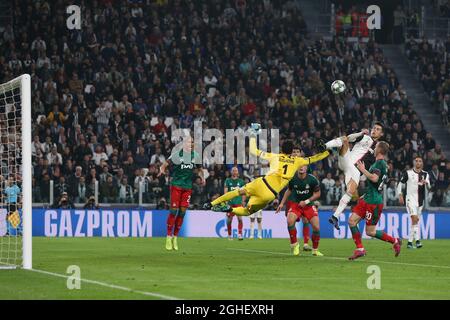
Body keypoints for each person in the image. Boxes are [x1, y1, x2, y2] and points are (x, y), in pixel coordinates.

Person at [204, 123, 329, 217]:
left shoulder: (274, 156)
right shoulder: (298, 161)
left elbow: (253, 151)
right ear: (292, 152)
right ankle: (229, 210)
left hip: (261, 182)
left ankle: (212, 203)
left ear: (282, 150)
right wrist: (327, 151)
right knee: (248, 212)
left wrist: (253, 134)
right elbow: (314, 158)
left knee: (238, 192)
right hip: (269, 194)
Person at [347, 141, 402, 260]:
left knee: (370, 232)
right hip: (368, 198)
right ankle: (360, 249)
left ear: (380, 151)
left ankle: (395, 241)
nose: (374, 148)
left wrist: (362, 169)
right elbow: (377, 184)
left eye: (376, 147)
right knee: (352, 221)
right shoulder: (381, 164)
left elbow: (374, 178)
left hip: (374, 202)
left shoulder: (379, 164)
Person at [325, 122, 384, 230]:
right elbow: (349, 138)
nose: (374, 130)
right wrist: (360, 133)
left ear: (381, 133)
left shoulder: (379, 148)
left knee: (350, 191)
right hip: (348, 161)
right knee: (344, 139)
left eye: (378, 129)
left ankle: (335, 217)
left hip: (355, 171)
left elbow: (377, 163)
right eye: (374, 128)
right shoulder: (365, 137)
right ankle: (325, 146)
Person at [159, 136, 204, 251]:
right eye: (189, 142)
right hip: (176, 185)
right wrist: (162, 169)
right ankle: (168, 237)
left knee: (183, 212)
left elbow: (200, 169)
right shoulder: (177, 154)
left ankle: (175, 237)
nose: (191, 144)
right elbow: (165, 164)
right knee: (173, 211)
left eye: (192, 142)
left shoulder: (196, 156)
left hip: (187, 187)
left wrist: (203, 178)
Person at [277, 165, 323, 256]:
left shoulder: (312, 180)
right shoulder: (292, 178)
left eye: (303, 166)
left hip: (308, 205)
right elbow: (288, 190)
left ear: (306, 168)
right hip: (295, 204)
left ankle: (315, 250)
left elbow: (318, 194)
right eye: (299, 166)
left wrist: (306, 201)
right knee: (290, 221)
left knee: (316, 227)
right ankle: (295, 245)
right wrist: (282, 203)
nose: (301, 167)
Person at [397, 156, 431, 249]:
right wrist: (400, 194)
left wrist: (426, 183)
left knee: (415, 222)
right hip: (410, 199)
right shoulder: (408, 173)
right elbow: (400, 183)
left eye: (420, 161)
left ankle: (409, 242)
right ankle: (418, 240)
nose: (418, 162)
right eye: (416, 161)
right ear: (414, 163)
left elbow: (429, 187)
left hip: (420, 201)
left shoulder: (426, 174)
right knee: (415, 219)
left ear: (422, 163)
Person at [224, 167, 245, 240]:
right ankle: (229, 235)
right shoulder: (227, 180)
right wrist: (226, 202)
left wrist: (243, 201)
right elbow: (225, 192)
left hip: (238, 203)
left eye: (236, 170)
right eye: (233, 171)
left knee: (240, 219)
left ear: (238, 172)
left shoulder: (241, 181)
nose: (234, 172)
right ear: (231, 172)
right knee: (229, 221)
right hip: (230, 203)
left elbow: (243, 193)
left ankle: (240, 234)